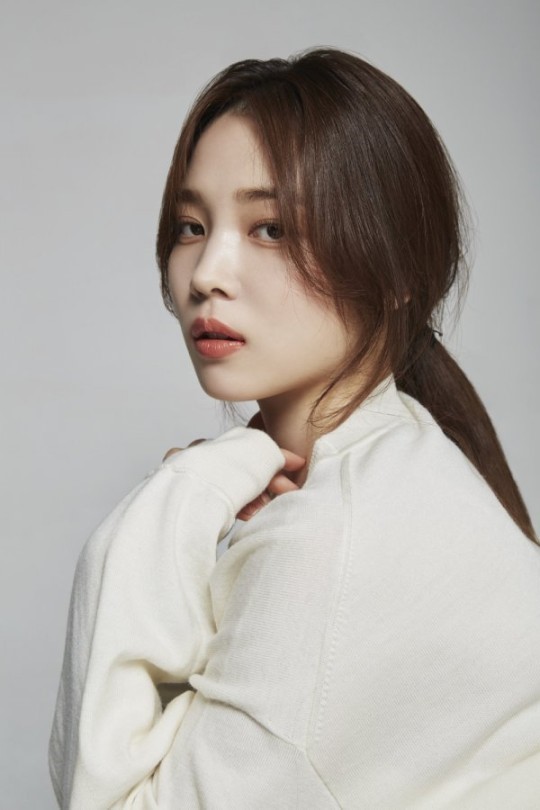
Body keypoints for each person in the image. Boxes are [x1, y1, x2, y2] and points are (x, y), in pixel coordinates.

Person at [49, 48, 540, 809]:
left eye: (271, 229)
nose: (207, 273)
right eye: (191, 226)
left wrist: (176, 498)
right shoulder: (398, 466)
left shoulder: (333, 543)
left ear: (395, 271)